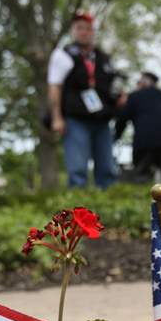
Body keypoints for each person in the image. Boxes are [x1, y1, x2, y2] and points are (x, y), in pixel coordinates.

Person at [47, 10, 121, 189]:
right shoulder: (63, 55)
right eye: (79, 28)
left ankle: (109, 202)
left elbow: (113, 86)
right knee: (78, 170)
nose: (84, 32)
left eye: (88, 28)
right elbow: (54, 86)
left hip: (102, 120)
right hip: (76, 119)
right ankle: (78, 204)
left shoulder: (104, 58)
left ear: (93, 31)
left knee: (107, 169)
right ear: (73, 31)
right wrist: (57, 117)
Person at [114, 72, 161, 189]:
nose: (137, 84)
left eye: (138, 82)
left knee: (142, 178)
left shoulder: (134, 96)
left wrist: (115, 136)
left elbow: (122, 119)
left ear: (143, 82)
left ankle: (142, 198)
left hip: (145, 143)